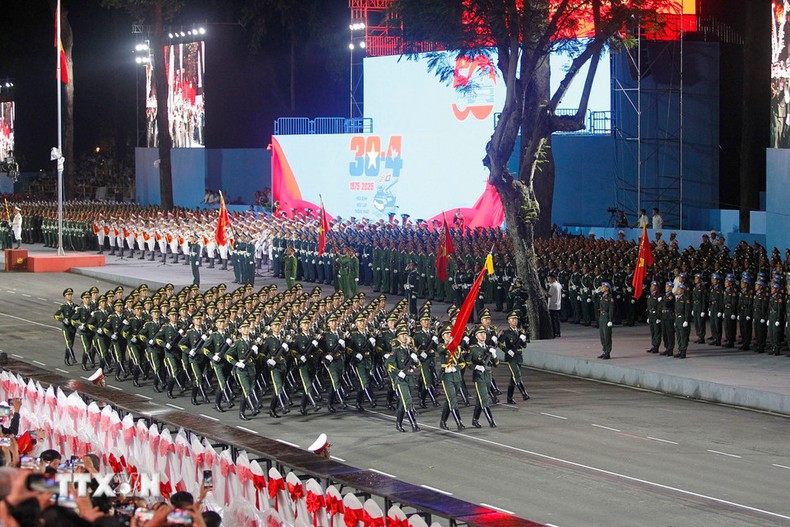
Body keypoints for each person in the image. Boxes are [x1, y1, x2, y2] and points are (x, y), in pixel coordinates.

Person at [498, 311, 530, 403]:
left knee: (513, 378)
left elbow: (524, 346)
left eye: (516, 319)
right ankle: (524, 393)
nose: (514, 321)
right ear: (508, 321)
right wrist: (507, 350)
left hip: (519, 356)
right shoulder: (506, 332)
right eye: (512, 319)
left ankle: (509, 398)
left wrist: (523, 341)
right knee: (517, 375)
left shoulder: (521, 331)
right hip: (511, 357)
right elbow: (499, 343)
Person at [470, 325, 497, 428]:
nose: (483, 335)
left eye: (484, 333)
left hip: (488, 375)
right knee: (484, 398)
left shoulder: (489, 348)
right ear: (476, 336)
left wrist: (494, 356)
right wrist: (476, 366)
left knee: (480, 399)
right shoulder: (473, 349)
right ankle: (491, 421)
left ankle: (475, 419)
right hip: (479, 376)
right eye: (480, 334)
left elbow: (496, 364)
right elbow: (468, 363)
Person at [597, 282, 614, 359]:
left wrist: (610, 319)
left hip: (606, 317)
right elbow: (594, 299)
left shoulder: (610, 298)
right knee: (602, 336)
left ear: (607, 288)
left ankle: (608, 352)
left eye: (603, 286)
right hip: (601, 317)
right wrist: (597, 292)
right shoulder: (602, 296)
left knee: (607, 336)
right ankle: (604, 350)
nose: (601, 287)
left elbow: (611, 309)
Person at [547, 273, 562, 338]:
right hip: (558, 304)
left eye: (549, 279)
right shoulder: (558, 284)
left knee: (553, 320)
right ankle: (558, 332)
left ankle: (554, 332)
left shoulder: (553, 286)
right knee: (557, 319)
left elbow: (549, 295)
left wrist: (543, 291)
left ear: (553, 278)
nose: (549, 281)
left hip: (552, 304)